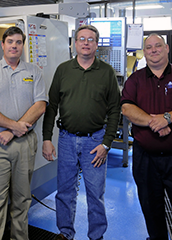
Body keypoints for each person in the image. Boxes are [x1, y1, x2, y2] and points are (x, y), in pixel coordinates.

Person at [42, 25, 121, 240]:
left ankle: (96, 236)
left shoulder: (106, 72)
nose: (86, 43)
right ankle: (65, 233)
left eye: (90, 39)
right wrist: (47, 138)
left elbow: (115, 109)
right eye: (81, 39)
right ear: (74, 43)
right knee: (65, 192)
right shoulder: (63, 70)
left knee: (96, 194)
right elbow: (51, 107)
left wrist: (106, 143)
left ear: (96, 44)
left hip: (94, 141)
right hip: (66, 140)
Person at [121, 33, 172, 240]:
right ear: (144, 52)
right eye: (149, 47)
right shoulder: (135, 80)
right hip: (145, 160)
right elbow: (127, 108)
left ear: (167, 48)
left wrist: (168, 117)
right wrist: (154, 122)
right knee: (151, 211)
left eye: (158, 46)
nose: (153, 50)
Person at [0, 26, 47, 240]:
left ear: (23, 46)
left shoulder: (33, 71)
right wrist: (13, 126)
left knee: (22, 201)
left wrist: (14, 132)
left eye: (18, 42)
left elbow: (40, 105)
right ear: (3, 45)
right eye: (10, 42)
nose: (14, 46)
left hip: (24, 144)